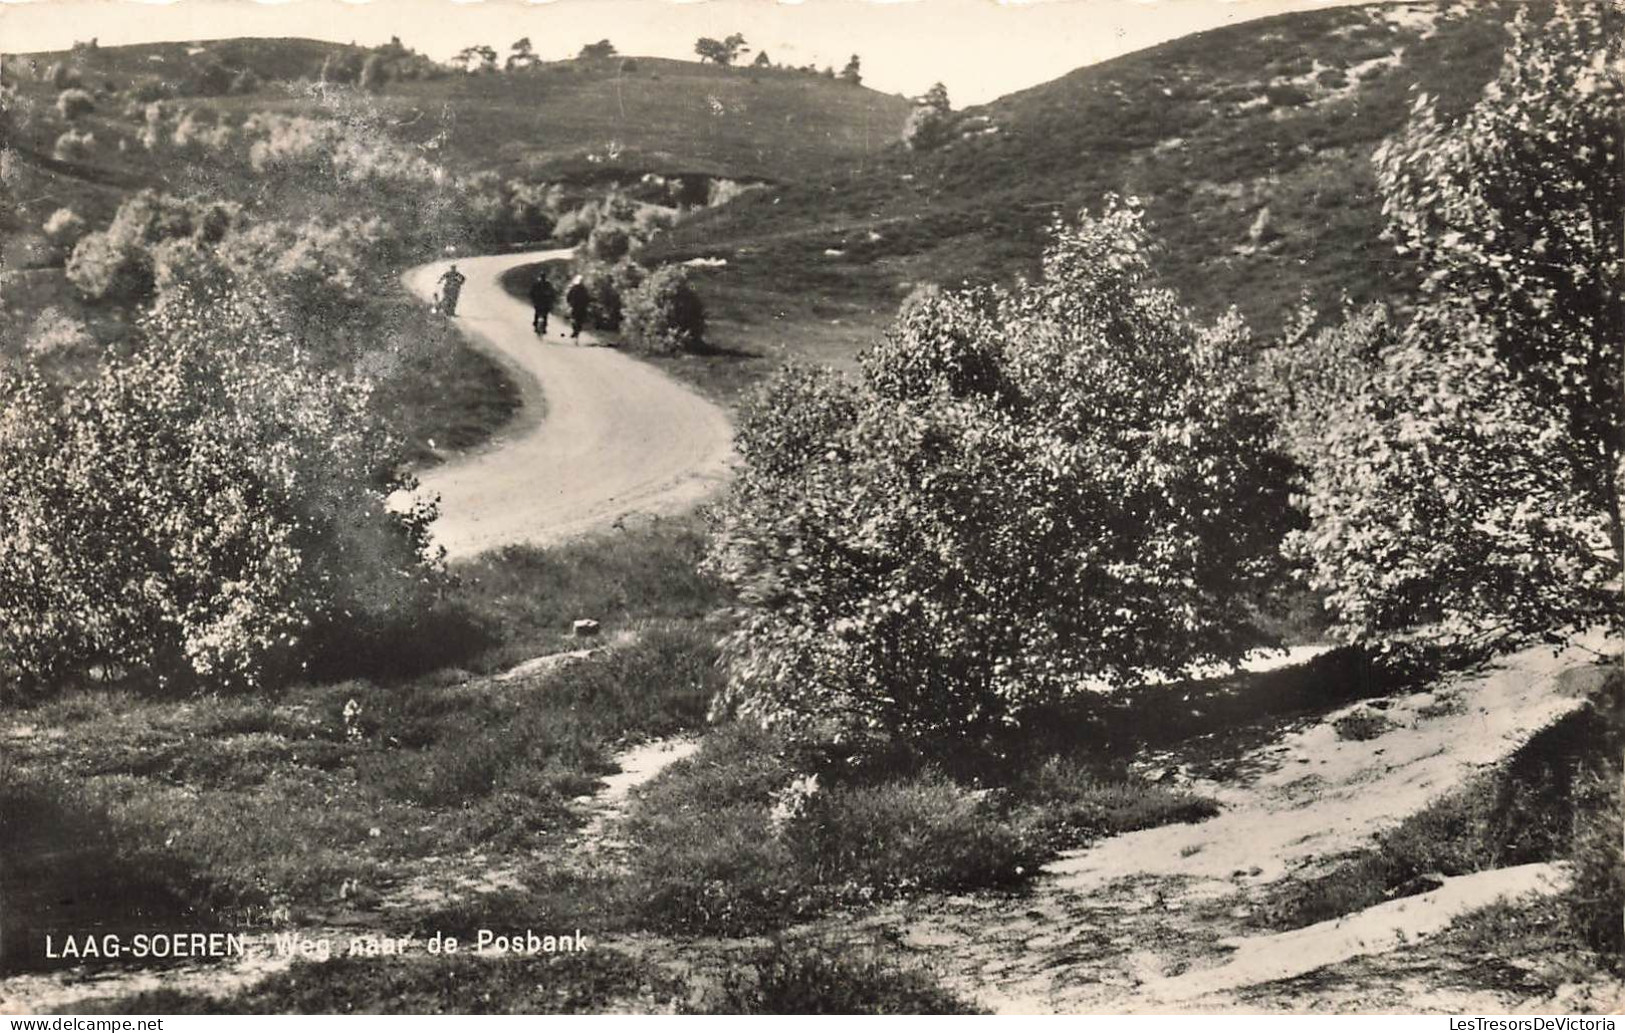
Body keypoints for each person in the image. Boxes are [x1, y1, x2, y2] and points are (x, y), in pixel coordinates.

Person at [565, 275, 590, 341]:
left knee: (574, 319)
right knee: (579, 320)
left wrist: (569, 303)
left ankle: (575, 331)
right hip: (581, 307)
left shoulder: (574, 288)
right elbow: (587, 298)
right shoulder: (584, 289)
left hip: (575, 306)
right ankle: (576, 331)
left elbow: (568, 296)